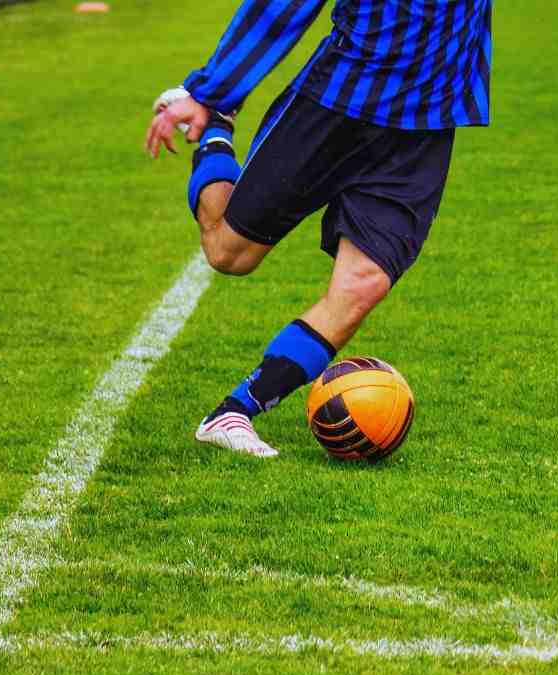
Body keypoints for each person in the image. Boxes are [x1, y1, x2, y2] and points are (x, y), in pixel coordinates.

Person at [144, 0, 492, 458]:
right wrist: (213, 93)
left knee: (364, 282)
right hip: (338, 101)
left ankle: (235, 411)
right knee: (229, 253)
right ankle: (217, 130)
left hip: (425, 124)